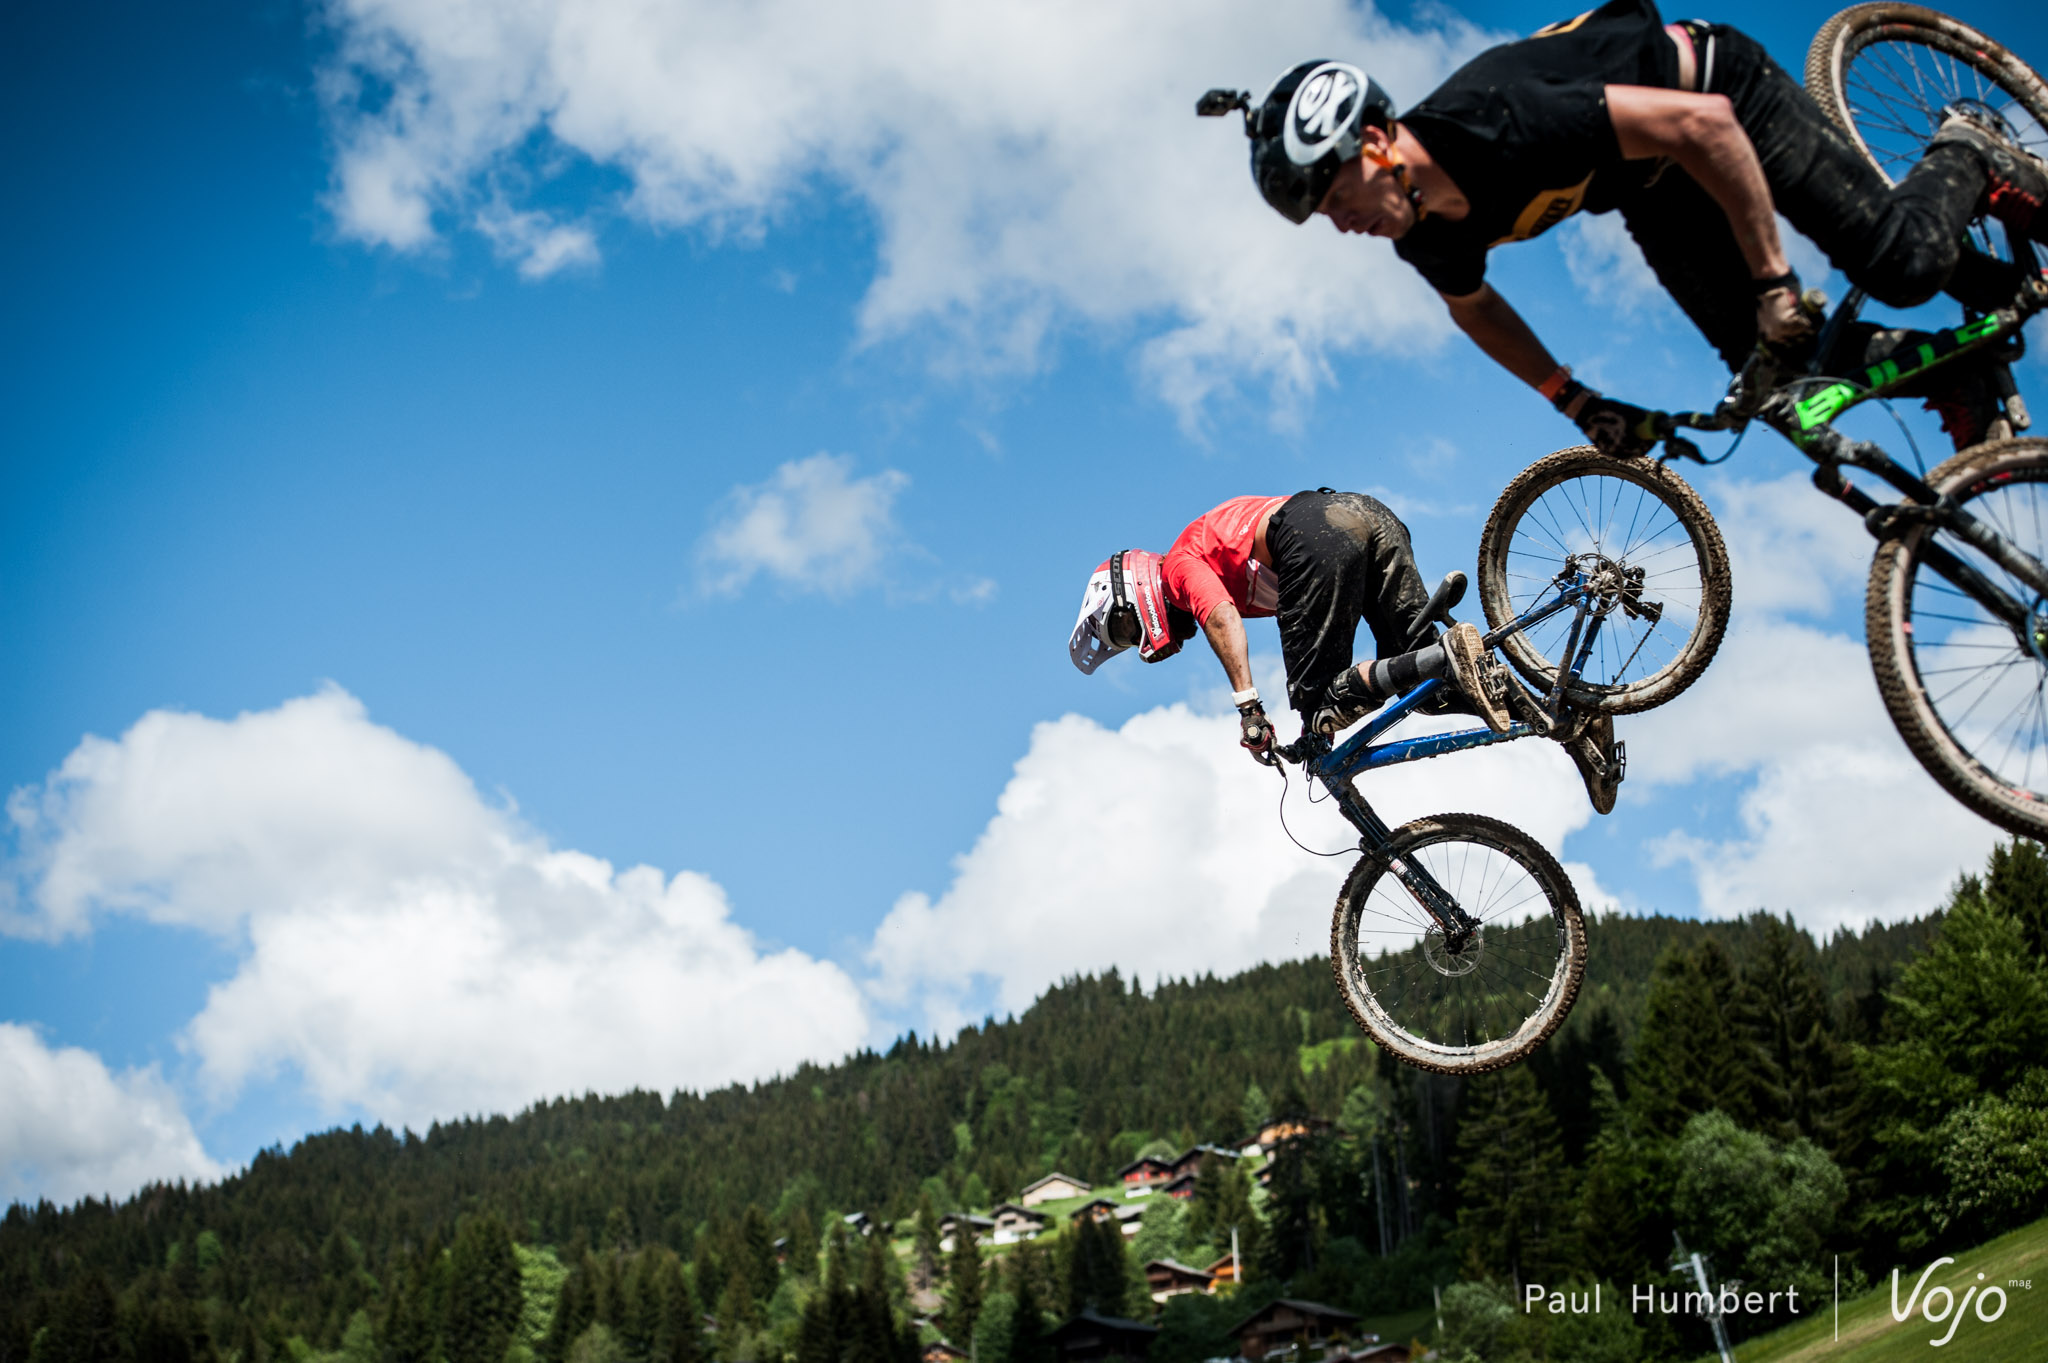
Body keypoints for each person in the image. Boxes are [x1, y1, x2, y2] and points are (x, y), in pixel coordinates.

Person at [1209, 0, 2048, 449]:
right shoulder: (1423, 232)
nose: (1338, 221)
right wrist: (1575, 402)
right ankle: (1954, 376)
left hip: (1719, 97)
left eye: (1334, 194)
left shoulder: (1498, 120)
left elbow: (1704, 126)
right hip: (1652, 188)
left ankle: (1967, 147)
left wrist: (1774, 283)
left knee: (1901, 264)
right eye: (1320, 213)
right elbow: (1475, 308)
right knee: (1781, 386)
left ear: (1375, 140)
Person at [1068, 490, 1625, 813]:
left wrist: (1251, 709)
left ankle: (1445, 655)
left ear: (1132, 592)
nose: (1134, 643)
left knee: (1321, 700)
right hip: (1369, 517)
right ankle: (1573, 723)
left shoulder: (1180, 565)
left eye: (1122, 630)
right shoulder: (1202, 560)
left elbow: (1220, 616)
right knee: (1425, 690)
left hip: (1317, 529)